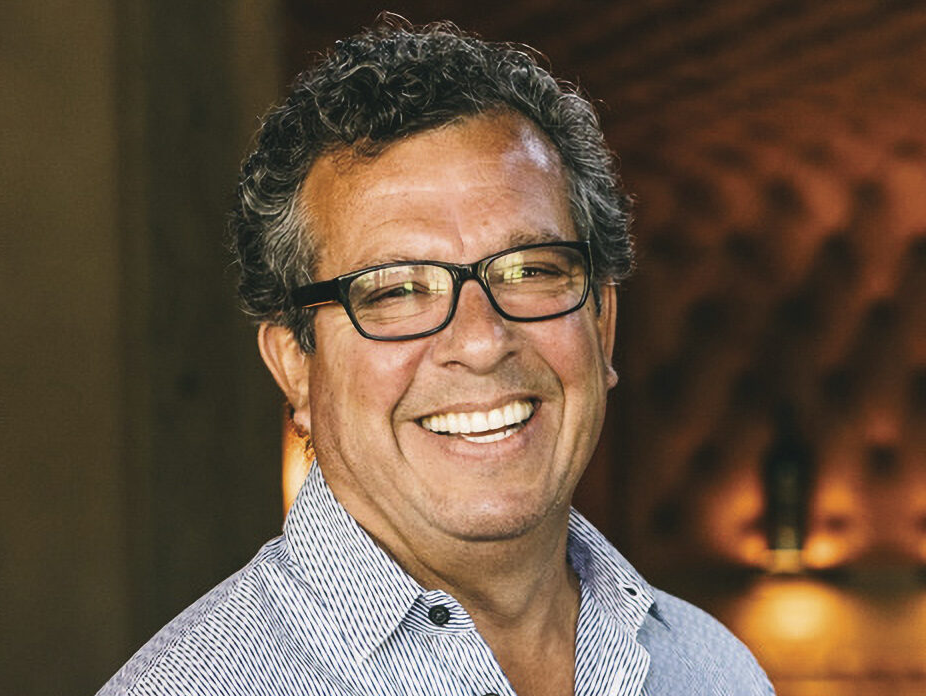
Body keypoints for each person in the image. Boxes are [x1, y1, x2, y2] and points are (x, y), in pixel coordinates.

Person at [98, 19, 774, 696]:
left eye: (529, 270)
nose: (482, 341)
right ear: (295, 366)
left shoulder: (715, 670)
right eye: (396, 291)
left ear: (602, 325)